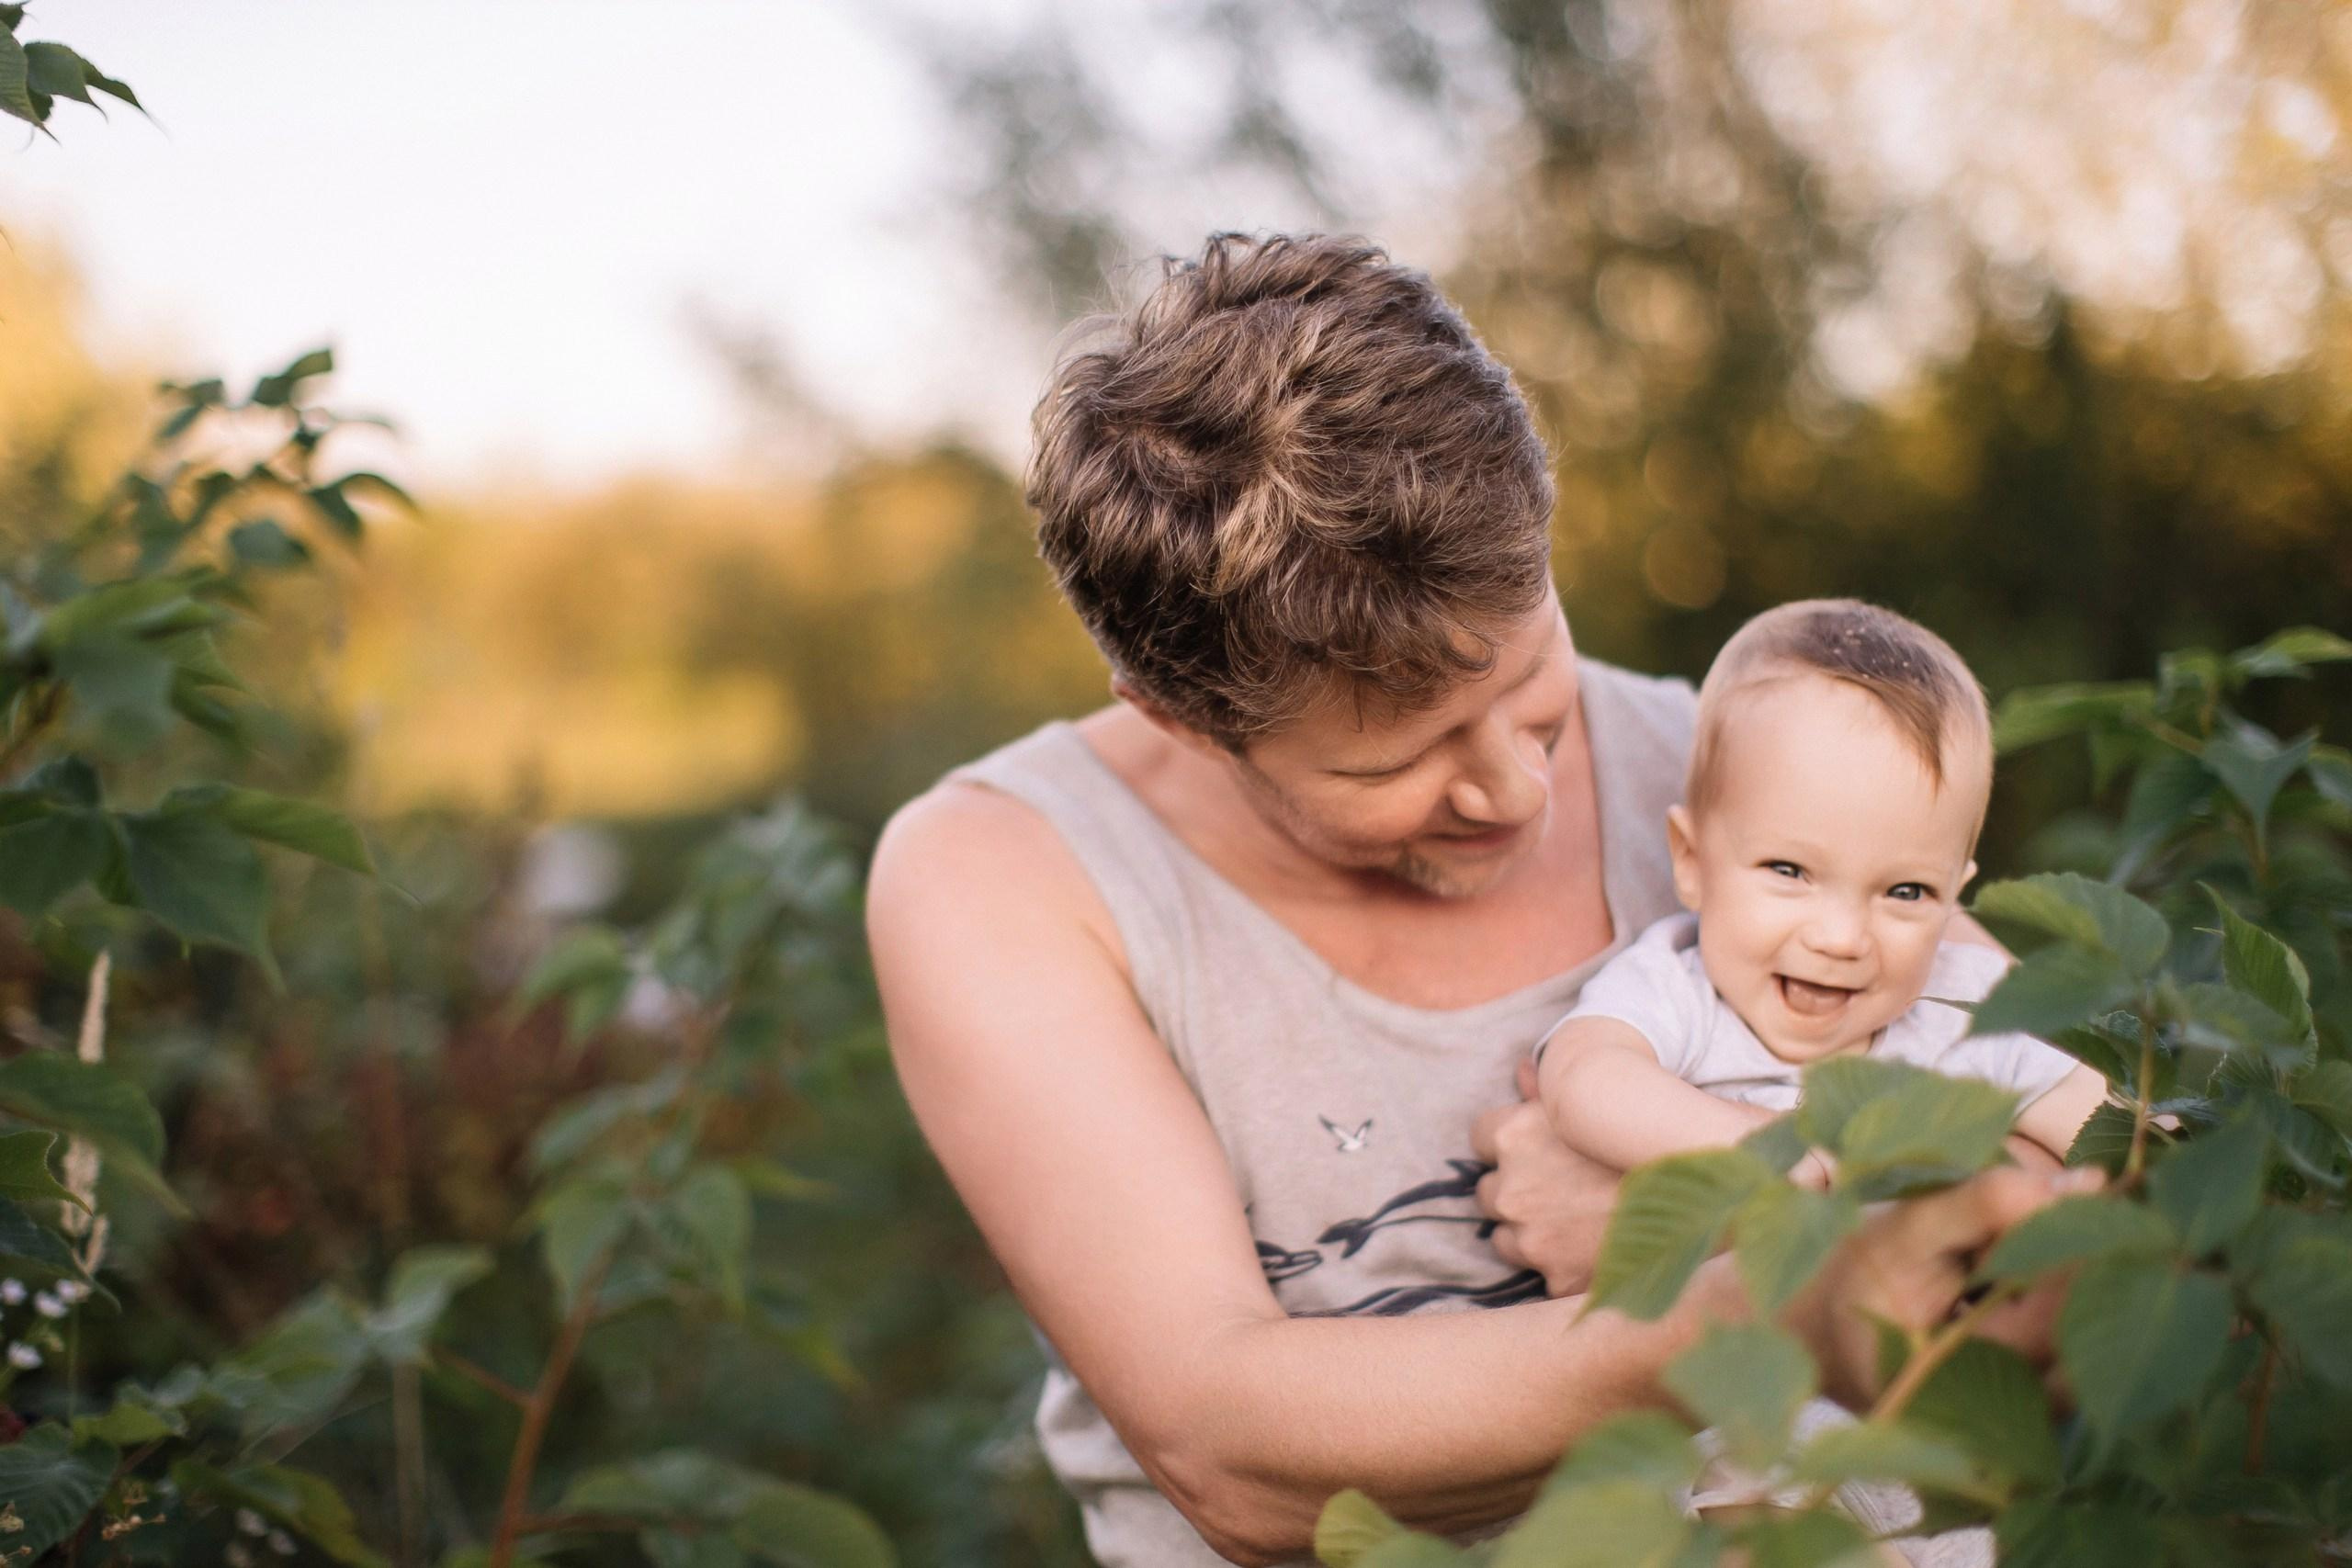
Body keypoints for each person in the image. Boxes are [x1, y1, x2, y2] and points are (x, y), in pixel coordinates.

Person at [866, 232, 2086, 1568]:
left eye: (1530, 678)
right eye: (1391, 761)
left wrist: (1701, 1212)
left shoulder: (1744, 772)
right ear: (1183, 715)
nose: (1516, 789)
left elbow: (2084, 1158)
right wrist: (1755, 1300)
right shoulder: (1007, 875)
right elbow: (1231, 1454)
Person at [1537, 597, 2109, 1178]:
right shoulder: (1680, 991)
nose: (1841, 939)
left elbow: (2121, 1135)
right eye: (1789, 871)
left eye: (1906, 892)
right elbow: (1582, 1078)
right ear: (1692, 862)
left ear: (1953, 897)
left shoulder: (1966, 1010)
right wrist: (1790, 1160)